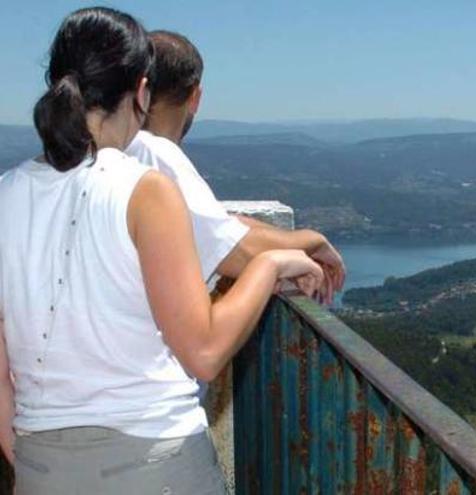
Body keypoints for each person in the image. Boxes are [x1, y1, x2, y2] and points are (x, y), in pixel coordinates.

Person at [0, 7, 323, 493]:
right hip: (155, 461)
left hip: (42, 466)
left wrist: (29, 458)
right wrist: (271, 263)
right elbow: (205, 350)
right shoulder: (145, 190)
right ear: (142, 91)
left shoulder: (7, 192)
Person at [126, 30, 345, 302]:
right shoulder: (154, 152)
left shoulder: (123, 148)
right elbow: (234, 251)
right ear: (195, 97)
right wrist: (313, 241)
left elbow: (213, 223)